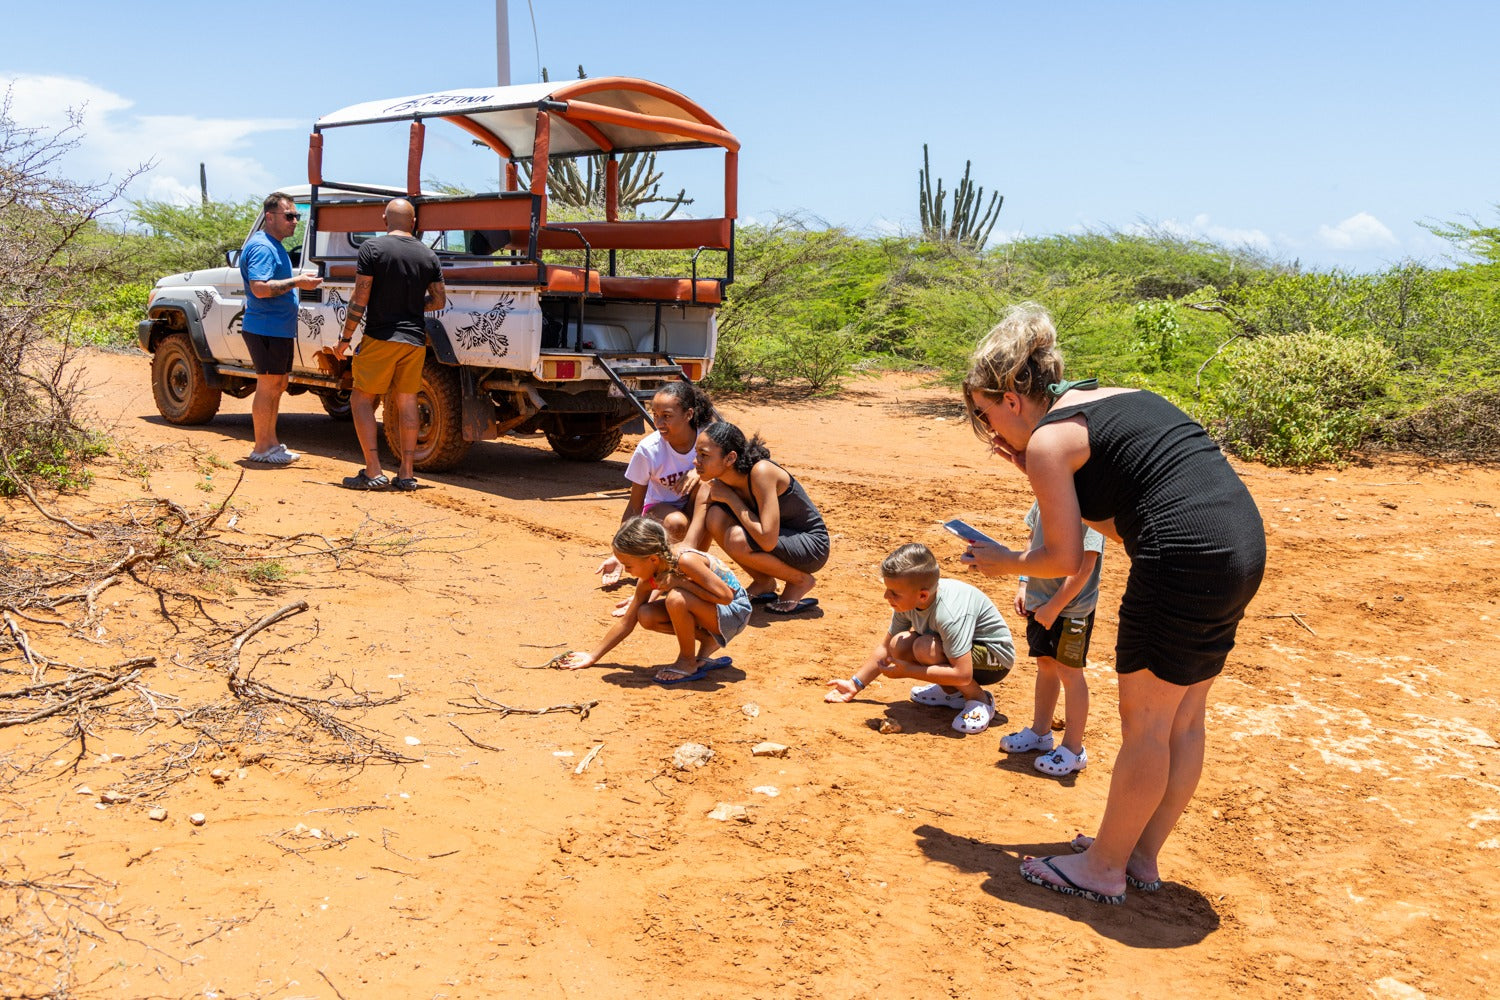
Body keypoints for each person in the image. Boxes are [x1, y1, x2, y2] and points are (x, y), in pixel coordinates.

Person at [962, 302, 1265, 905]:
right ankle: (1139, 856)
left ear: (1013, 398)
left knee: (1146, 726)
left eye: (985, 412)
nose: (990, 430)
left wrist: (1004, 561)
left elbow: (1064, 560)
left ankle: (1103, 867)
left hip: (1180, 560)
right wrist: (1036, 467)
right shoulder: (1112, 398)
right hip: (1241, 547)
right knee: (1183, 719)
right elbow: (1125, 516)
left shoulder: (1051, 441)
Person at [825, 543, 1015, 734]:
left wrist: (909, 671)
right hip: (957, 653)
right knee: (899, 644)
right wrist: (854, 684)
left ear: (922, 595)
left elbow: (963, 673)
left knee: (925, 648)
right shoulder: (907, 601)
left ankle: (979, 700)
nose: (886, 596)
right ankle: (952, 693)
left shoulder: (949, 613)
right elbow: (886, 648)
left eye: (894, 593)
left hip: (994, 659)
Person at [331, 198, 445, 491]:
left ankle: (373, 471)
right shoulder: (428, 255)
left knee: (361, 399)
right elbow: (439, 300)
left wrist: (345, 339)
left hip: (381, 337)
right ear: (414, 223)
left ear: (384, 220)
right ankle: (406, 474)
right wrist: (411, 306)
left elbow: (360, 297)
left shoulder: (372, 248)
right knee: (406, 401)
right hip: (415, 340)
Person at [560, 517, 752, 684]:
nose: (626, 571)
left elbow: (726, 597)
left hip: (736, 612)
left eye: (628, 565)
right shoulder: (650, 577)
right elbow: (627, 621)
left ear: (652, 559)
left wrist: (680, 582)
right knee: (645, 614)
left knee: (676, 599)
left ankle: (687, 661)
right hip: (714, 612)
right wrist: (592, 656)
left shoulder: (685, 561)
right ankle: (708, 640)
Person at [997, 501, 1105, 776]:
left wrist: (1056, 606)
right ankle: (1040, 732)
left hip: (1072, 608)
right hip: (1039, 601)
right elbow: (1033, 539)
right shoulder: (1046, 492)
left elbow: (1086, 564)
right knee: (1045, 664)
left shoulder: (1092, 504)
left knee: (1070, 673)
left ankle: (1073, 749)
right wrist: (1023, 583)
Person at [687, 421, 830, 615]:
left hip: (811, 546)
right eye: (697, 454)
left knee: (737, 539)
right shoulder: (714, 484)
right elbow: (691, 542)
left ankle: (800, 581)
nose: (696, 461)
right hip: (778, 540)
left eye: (704, 455)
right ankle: (763, 583)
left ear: (730, 458)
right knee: (715, 517)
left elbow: (767, 540)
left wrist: (731, 498)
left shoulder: (762, 472)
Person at [595, 382, 717, 607]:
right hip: (659, 509)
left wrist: (698, 471)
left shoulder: (707, 438)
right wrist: (621, 554)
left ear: (689, 414)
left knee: (710, 491)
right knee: (676, 522)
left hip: (695, 504)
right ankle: (667, 578)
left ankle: (692, 566)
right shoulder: (648, 449)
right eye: (655, 415)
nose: (659, 423)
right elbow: (634, 506)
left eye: (667, 416)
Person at [238, 192, 323, 465]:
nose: (295, 221)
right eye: (289, 216)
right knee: (268, 385)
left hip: (278, 328)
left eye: (297, 216)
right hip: (266, 327)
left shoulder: (275, 245)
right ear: (270, 216)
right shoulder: (263, 247)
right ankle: (261, 447)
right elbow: (260, 289)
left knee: (278, 384)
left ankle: (271, 443)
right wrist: (297, 282)